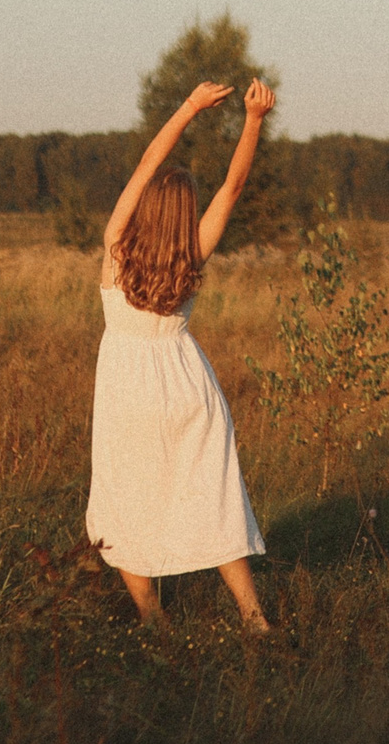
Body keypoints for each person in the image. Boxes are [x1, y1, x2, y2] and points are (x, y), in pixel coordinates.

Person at [87, 78, 276, 633]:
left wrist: (190, 107)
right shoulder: (194, 251)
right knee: (211, 495)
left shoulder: (117, 245)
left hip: (128, 390)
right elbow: (234, 186)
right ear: (186, 213)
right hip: (187, 384)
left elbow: (150, 161)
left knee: (127, 498)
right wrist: (254, 121)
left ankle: (153, 619)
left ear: (145, 206)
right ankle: (254, 618)